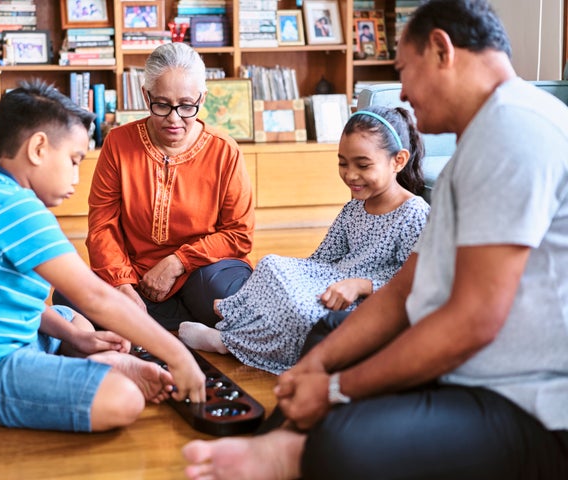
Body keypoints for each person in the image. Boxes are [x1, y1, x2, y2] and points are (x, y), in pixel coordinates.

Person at [182, 0, 568, 478]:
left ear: (441, 49)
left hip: (523, 400)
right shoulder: (481, 141)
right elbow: (406, 288)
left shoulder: (514, 132)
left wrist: (339, 388)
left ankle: (287, 454)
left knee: (344, 445)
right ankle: (280, 448)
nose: (402, 90)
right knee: (327, 336)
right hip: (460, 368)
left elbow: (473, 321)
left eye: (403, 69)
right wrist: (317, 369)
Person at [0, 80, 206, 434]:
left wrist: (77, 339)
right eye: (74, 160)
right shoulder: (17, 210)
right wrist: (177, 354)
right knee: (123, 399)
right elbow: (95, 296)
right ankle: (103, 369)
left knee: (75, 324)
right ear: (38, 148)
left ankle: (85, 363)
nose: (77, 177)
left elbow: (13, 301)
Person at [178, 106, 430, 375]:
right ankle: (239, 314)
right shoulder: (356, 207)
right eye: (343, 163)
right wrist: (291, 280)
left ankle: (228, 342)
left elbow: (416, 284)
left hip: (365, 302)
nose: (350, 175)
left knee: (301, 315)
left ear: (398, 161)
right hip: (331, 284)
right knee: (272, 265)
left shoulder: (413, 214)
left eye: (363, 165)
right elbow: (321, 259)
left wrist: (362, 285)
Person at [53, 42, 254, 330]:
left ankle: (149, 322)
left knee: (226, 295)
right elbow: (102, 226)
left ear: (203, 98)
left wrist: (177, 262)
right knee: (67, 296)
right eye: (162, 104)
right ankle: (180, 322)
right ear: (146, 96)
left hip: (202, 271)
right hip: (134, 276)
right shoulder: (118, 143)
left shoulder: (225, 151)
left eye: (186, 106)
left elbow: (239, 234)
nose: (174, 118)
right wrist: (122, 285)